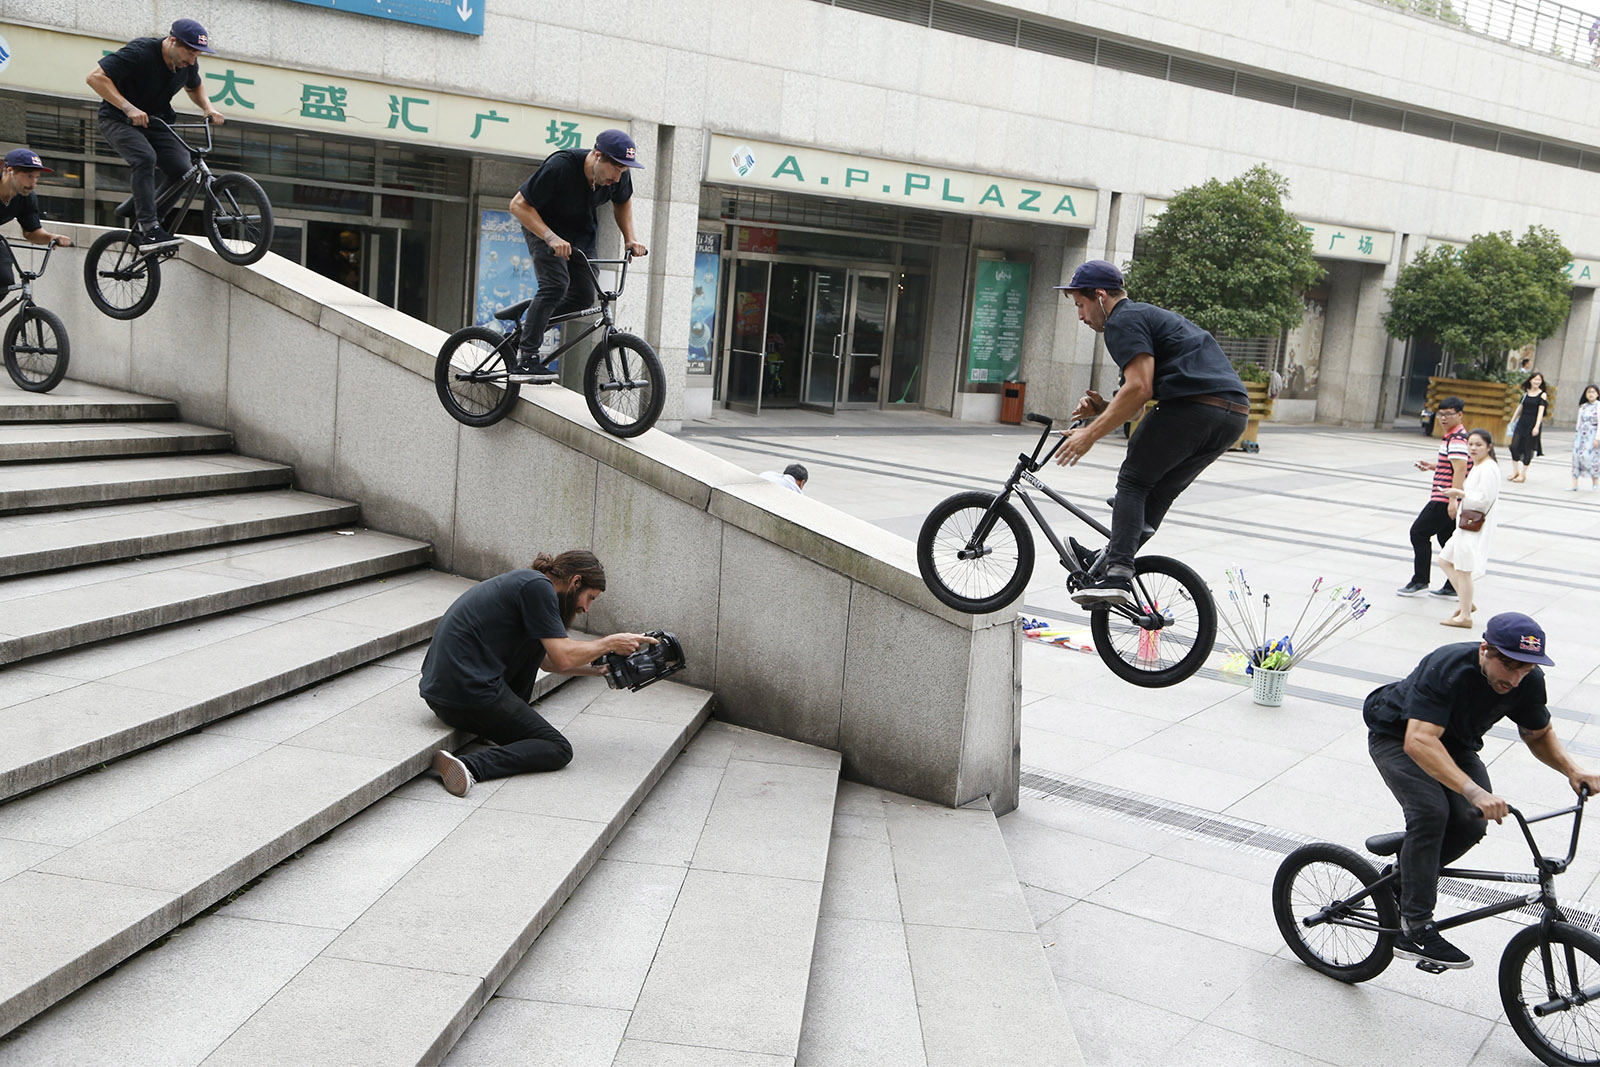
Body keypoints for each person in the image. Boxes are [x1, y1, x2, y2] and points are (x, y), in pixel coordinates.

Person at [1365, 612, 1598, 969]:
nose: (1516, 679)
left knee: (1471, 824)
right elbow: (1419, 741)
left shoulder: (1527, 680)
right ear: (1486, 650)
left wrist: (1573, 770)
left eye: (1526, 669)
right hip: (1398, 735)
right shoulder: (1447, 666)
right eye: (1510, 667)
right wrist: (1473, 791)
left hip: (1456, 742)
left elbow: (1537, 733)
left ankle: (1405, 875)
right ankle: (1416, 927)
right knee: (1431, 813)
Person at [1051, 259, 1248, 607]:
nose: (1081, 317)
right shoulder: (1143, 319)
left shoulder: (1122, 321)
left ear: (1100, 297)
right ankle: (1107, 558)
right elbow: (1136, 403)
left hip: (1194, 407)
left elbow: (1139, 389)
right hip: (1232, 415)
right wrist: (1102, 409)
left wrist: (1090, 434)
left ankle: (1117, 573)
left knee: (1133, 481)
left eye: (1080, 306)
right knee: (1156, 493)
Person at [419, 550, 655, 797]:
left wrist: (602, 669)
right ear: (576, 582)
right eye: (590, 598)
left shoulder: (530, 583)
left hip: (448, 689)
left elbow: (548, 660)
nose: (586, 608)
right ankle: (470, 765)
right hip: (465, 691)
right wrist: (610, 642)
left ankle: (504, 731)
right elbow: (562, 657)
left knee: (536, 643)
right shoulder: (538, 588)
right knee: (557, 748)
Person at [506, 130, 648, 382]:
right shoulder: (560, 167)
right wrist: (550, 237)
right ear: (597, 156)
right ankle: (526, 357)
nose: (617, 178)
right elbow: (518, 205)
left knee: (583, 295)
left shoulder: (618, 177)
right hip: (542, 226)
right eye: (614, 169)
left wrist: (630, 238)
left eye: (623, 172)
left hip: (580, 231)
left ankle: (527, 329)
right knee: (555, 284)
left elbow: (623, 202)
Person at [85, 19, 224, 251]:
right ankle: (148, 228)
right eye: (189, 52)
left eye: (197, 54)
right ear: (172, 41)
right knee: (144, 158)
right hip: (119, 120)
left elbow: (195, 86)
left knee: (184, 170)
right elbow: (94, 77)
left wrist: (207, 107)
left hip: (157, 122)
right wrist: (128, 107)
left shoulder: (188, 64)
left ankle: (147, 215)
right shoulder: (140, 52)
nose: (191, 60)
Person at [1397, 396, 1468, 599]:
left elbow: (1461, 468)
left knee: (1418, 533)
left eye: (1449, 414)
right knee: (1446, 539)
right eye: (1441, 414)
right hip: (1446, 496)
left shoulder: (1456, 438)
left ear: (1460, 415)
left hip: (1444, 498)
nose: (1443, 418)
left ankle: (1420, 580)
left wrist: (1453, 499)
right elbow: (1453, 465)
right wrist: (1432, 466)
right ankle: (1453, 585)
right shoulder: (1454, 437)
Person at [1436, 429, 1500, 630]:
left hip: (1473, 524)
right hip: (1465, 523)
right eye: (1470, 444)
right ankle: (1466, 601)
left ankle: (1465, 615)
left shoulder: (1488, 468)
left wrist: (1459, 493)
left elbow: (1484, 499)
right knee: (1445, 560)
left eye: (1478, 445)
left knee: (1463, 569)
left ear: (1489, 447)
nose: (1473, 448)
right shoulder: (1480, 466)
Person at [0, 149, 73, 290]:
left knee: (4, 280)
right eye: (28, 176)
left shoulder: (26, 198)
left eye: (36, 177)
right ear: (10, 171)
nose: (33, 184)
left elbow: (32, 232)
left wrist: (52, 237)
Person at [1508, 372, 1549, 483]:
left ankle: (1523, 473)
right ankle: (1515, 470)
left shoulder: (1542, 395)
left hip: (1533, 423)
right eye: (1535, 379)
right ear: (1530, 380)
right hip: (1522, 422)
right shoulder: (1526, 393)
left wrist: (1537, 426)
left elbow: (1541, 412)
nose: (1537, 382)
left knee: (1528, 448)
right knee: (1513, 446)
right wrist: (1513, 420)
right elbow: (1520, 407)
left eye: (1539, 380)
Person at [1570, 384, 1599, 492]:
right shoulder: (1583, 407)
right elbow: (1579, 423)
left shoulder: (1598, 406)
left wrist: (1597, 438)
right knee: (1576, 457)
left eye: (1593, 392)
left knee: (1591, 459)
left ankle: (1595, 481)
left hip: (1592, 435)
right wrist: (1576, 436)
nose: (1591, 394)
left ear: (1597, 394)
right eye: (1589, 392)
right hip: (1581, 436)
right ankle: (1574, 483)